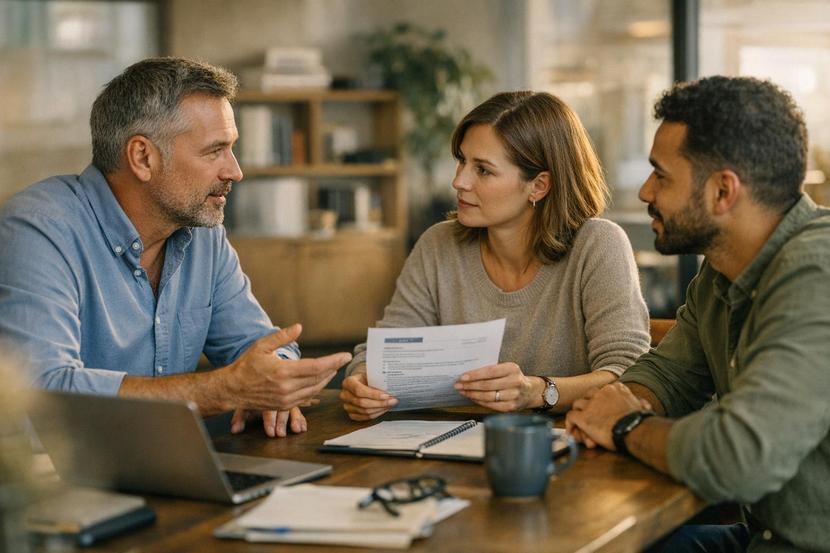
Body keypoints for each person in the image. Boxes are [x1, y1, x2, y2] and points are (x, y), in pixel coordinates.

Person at [0, 57, 351, 438]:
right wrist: (225, 389)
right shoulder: (40, 228)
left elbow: (258, 348)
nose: (235, 171)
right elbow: (40, 393)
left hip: (171, 464)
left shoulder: (202, 232)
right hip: (62, 486)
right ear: (142, 157)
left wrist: (276, 383)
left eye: (232, 149)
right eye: (214, 151)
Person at [565, 76, 830, 552]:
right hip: (760, 536)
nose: (645, 191)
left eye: (661, 175)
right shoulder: (724, 268)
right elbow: (670, 375)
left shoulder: (817, 273)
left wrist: (627, 426)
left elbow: (739, 459)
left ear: (723, 192)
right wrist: (608, 408)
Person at [341, 91, 650, 421]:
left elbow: (629, 377)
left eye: (483, 170)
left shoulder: (598, 245)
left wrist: (537, 391)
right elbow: (386, 352)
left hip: (569, 450)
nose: (459, 181)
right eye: (461, 161)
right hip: (447, 447)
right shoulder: (438, 245)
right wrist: (361, 383)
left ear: (539, 186)